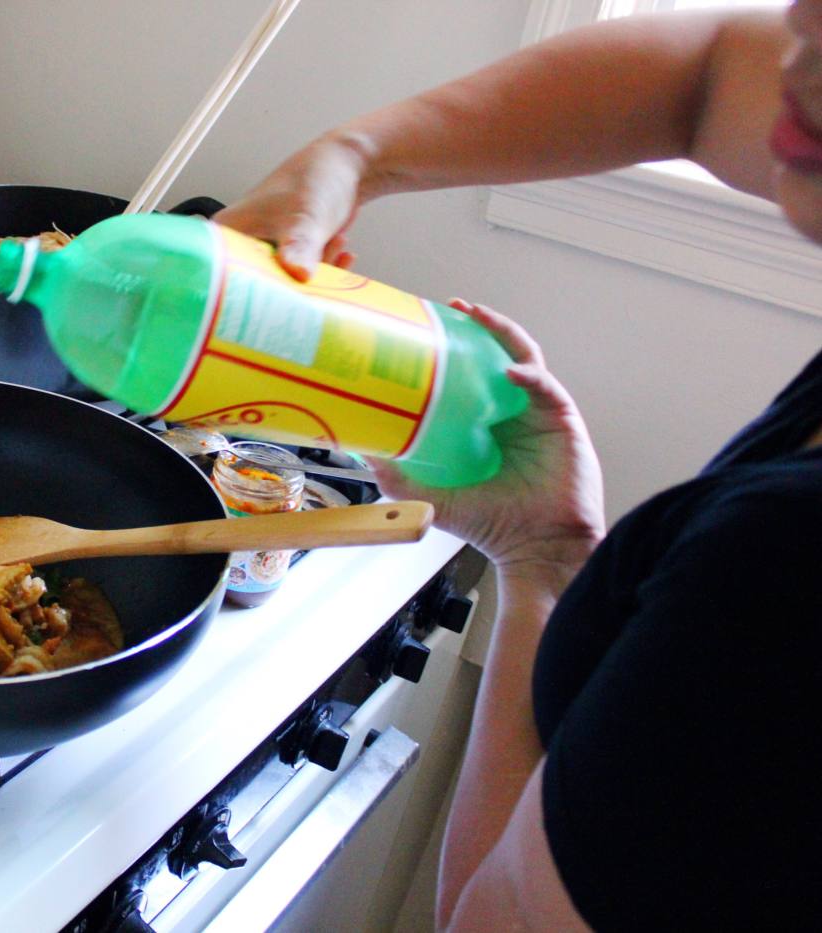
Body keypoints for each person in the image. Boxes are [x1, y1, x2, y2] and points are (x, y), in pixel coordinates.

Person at [217, 5, 822, 931]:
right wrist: (352, 158)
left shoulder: (781, 570)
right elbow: (703, 75)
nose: (799, 17)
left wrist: (545, 569)